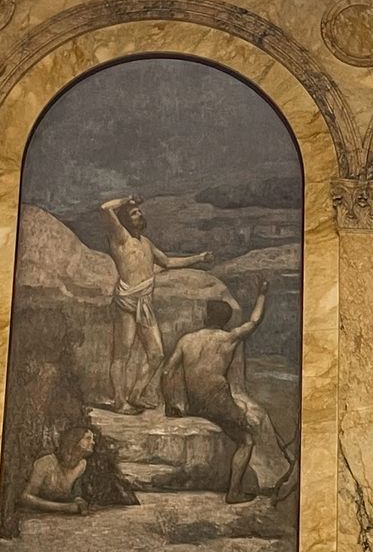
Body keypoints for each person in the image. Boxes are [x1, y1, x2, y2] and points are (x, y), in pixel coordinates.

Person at [160, 280, 278, 503]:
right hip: (218, 403)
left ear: (206, 317)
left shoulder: (187, 340)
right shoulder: (228, 338)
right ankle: (234, 492)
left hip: (196, 404)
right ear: (224, 321)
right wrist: (262, 294)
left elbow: (166, 372)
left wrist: (170, 404)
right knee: (247, 439)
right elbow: (254, 321)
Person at [99, 193, 211, 414]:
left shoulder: (146, 243)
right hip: (126, 302)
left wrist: (198, 258)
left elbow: (168, 262)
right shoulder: (120, 237)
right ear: (124, 220)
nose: (139, 214)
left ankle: (136, 394)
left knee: (157, 354)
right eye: (134, 213)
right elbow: (104, 208)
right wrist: (127, 199)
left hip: (145, 303)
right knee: (122, 353)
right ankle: (120, 402)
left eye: (139, 211)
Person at [19, 424, 95, 514]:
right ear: (74, 440)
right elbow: (26, 497)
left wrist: (78, 500)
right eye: (88, 438)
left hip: (61, 518)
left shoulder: (82, 464)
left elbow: (74, 493)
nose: (93, 442)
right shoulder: (45, 463)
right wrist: (64, 507)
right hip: (37, 516)